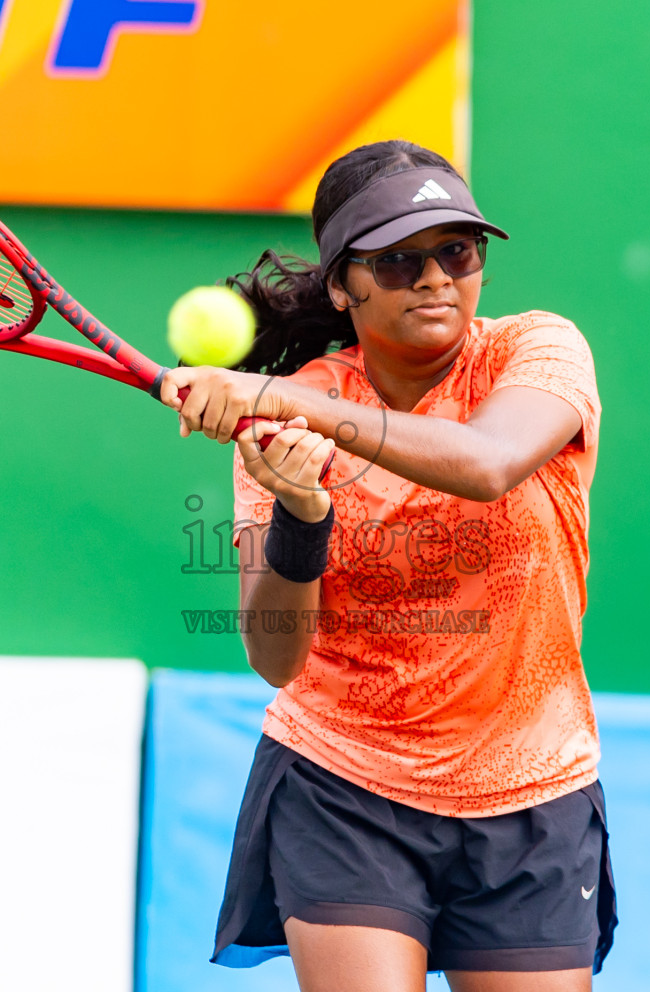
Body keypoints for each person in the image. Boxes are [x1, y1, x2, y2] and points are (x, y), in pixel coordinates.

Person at [160, 140, 615, 992]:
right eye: (400, 260)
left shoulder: (539, 350)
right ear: (344, 283)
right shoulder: (288, 420)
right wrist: (302, 515)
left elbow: (486, 464)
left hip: (532, 788)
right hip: (343, 785)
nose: (437, 277)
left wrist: (293, 401)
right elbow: (274, 657)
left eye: (458, 250)